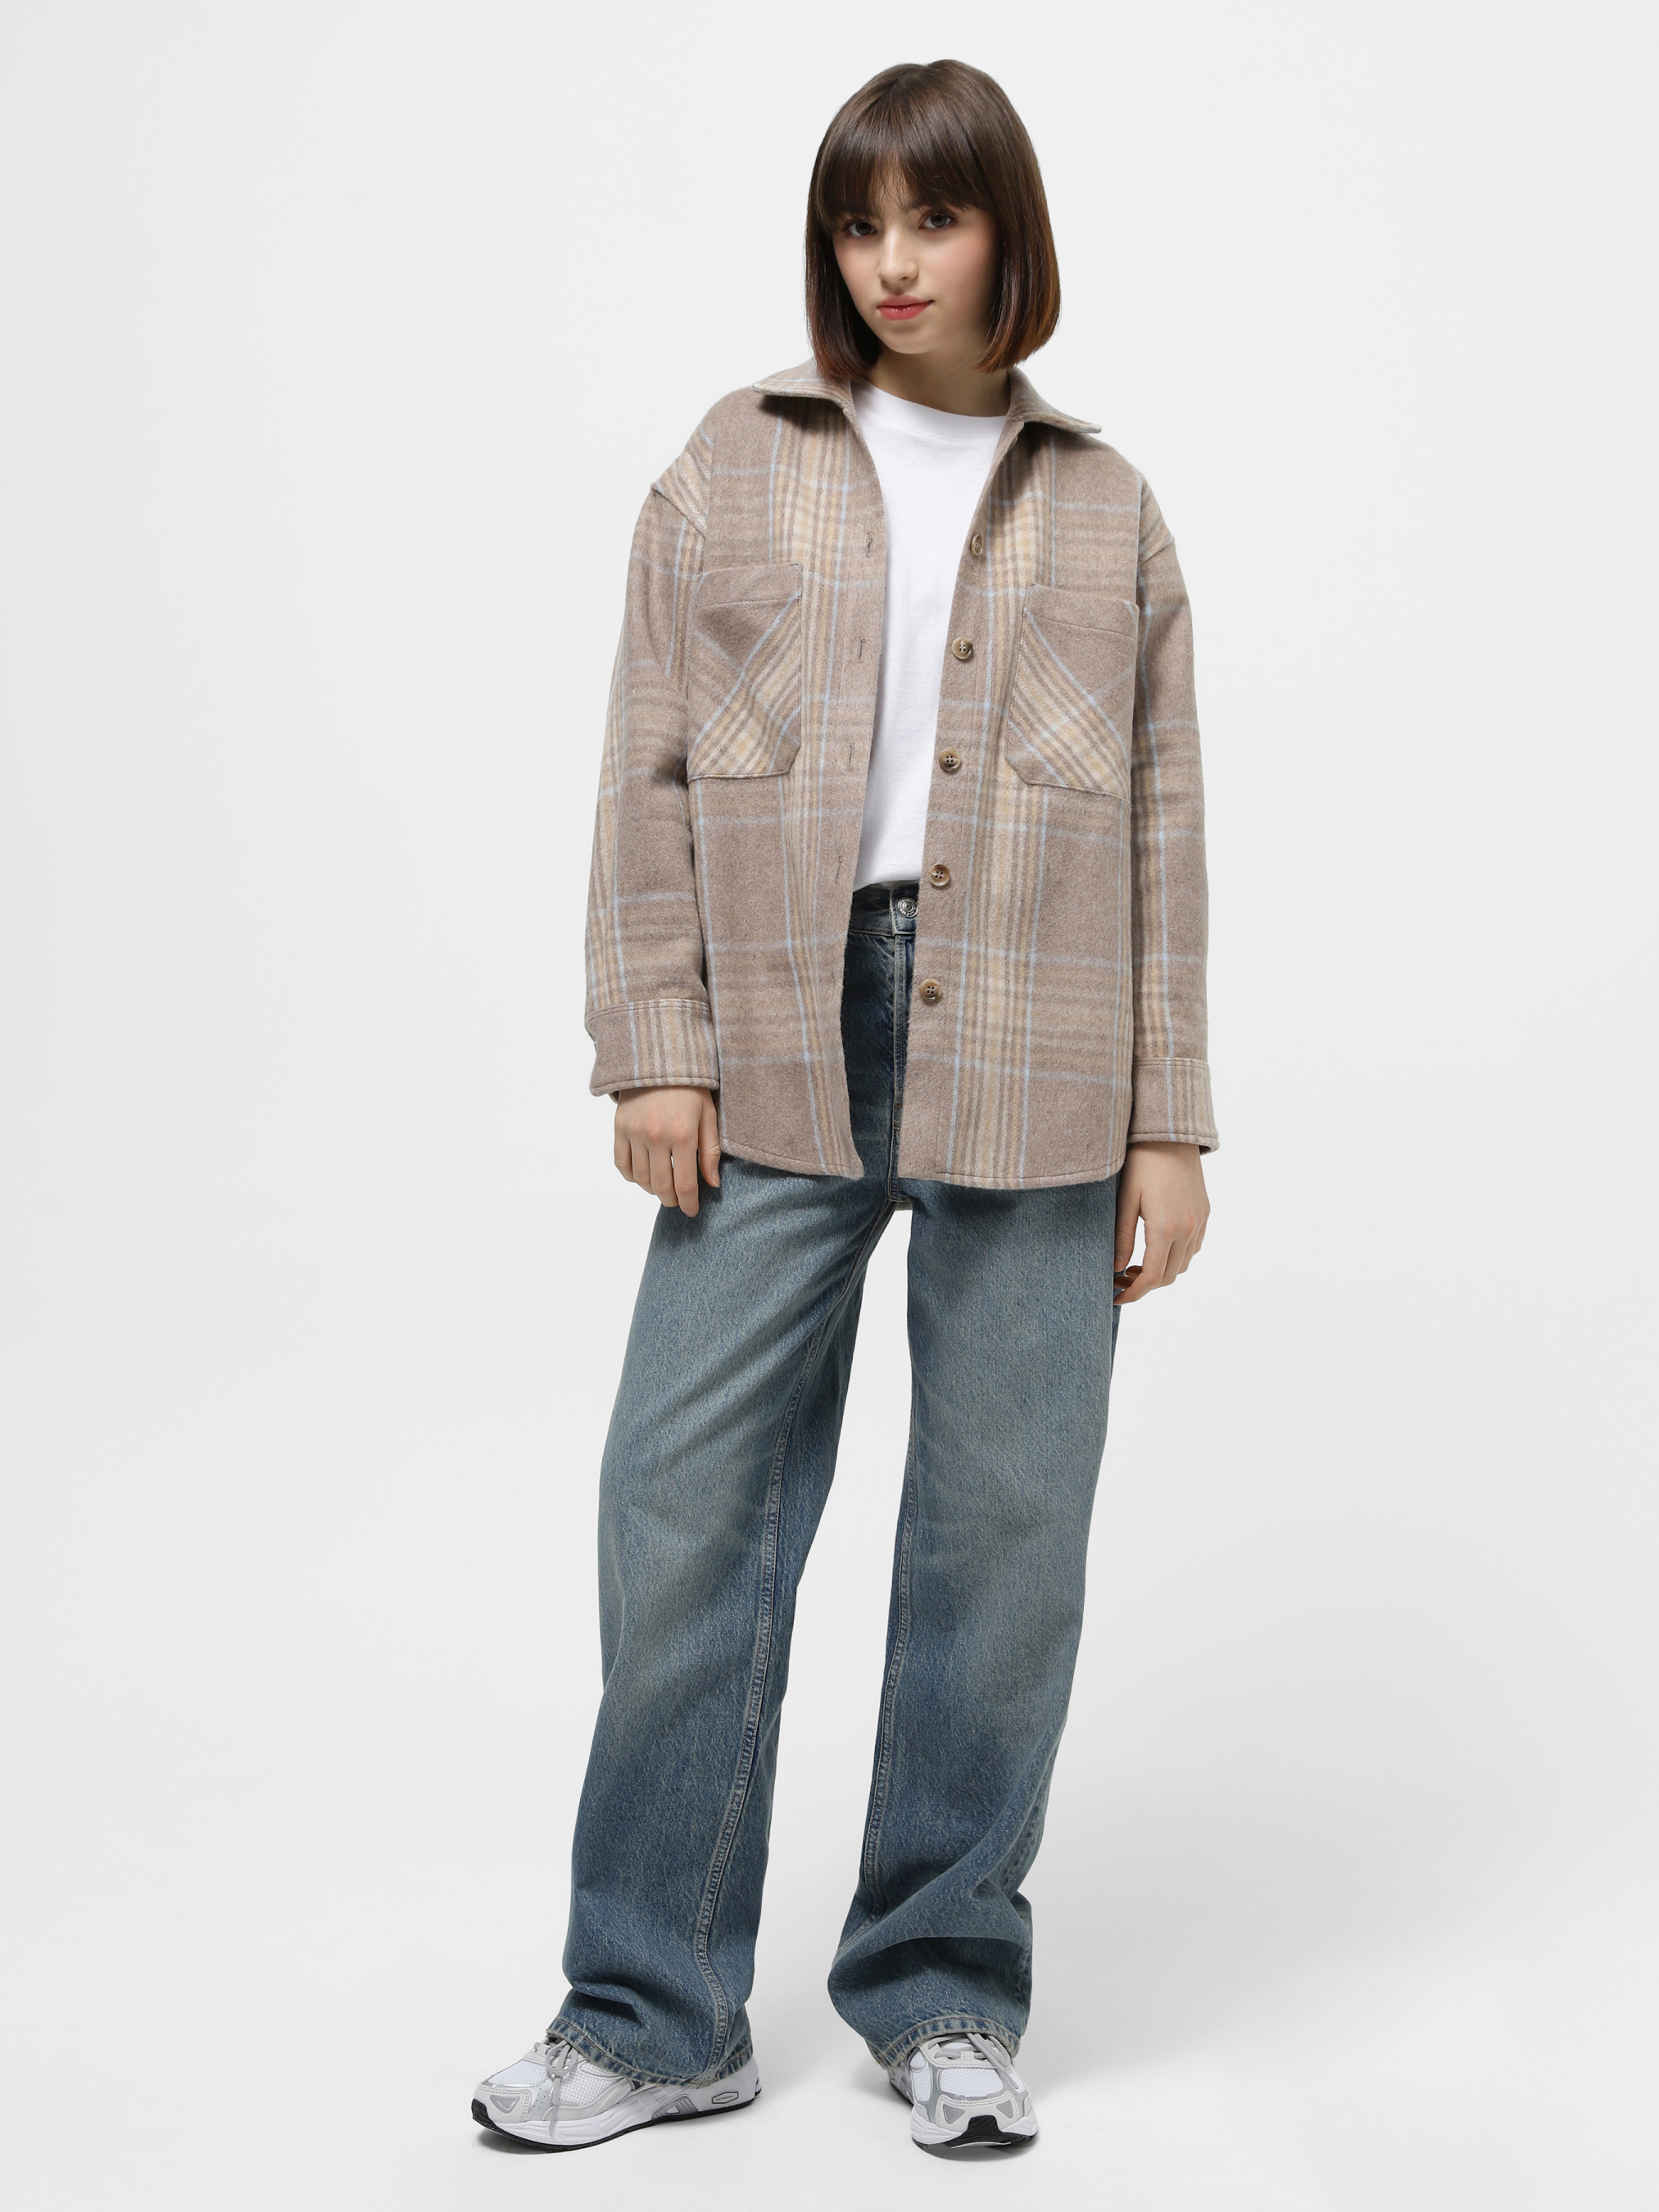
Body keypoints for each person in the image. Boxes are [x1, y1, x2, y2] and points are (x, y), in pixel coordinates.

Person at [473, 56, 1216, 2158]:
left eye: (932, 220)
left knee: (1003, 1536)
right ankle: (651, 2011)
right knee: (682, 1502)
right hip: (781, 1037)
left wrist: (1170, 1120)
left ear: (1005, 238)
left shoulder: (1107, 510)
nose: (891, 262)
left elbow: (1161, 826)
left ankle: (941, 1988)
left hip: (1042, 1045)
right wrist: (658, 1040)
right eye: (857, 224)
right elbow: (641, 766)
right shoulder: (731, 465)